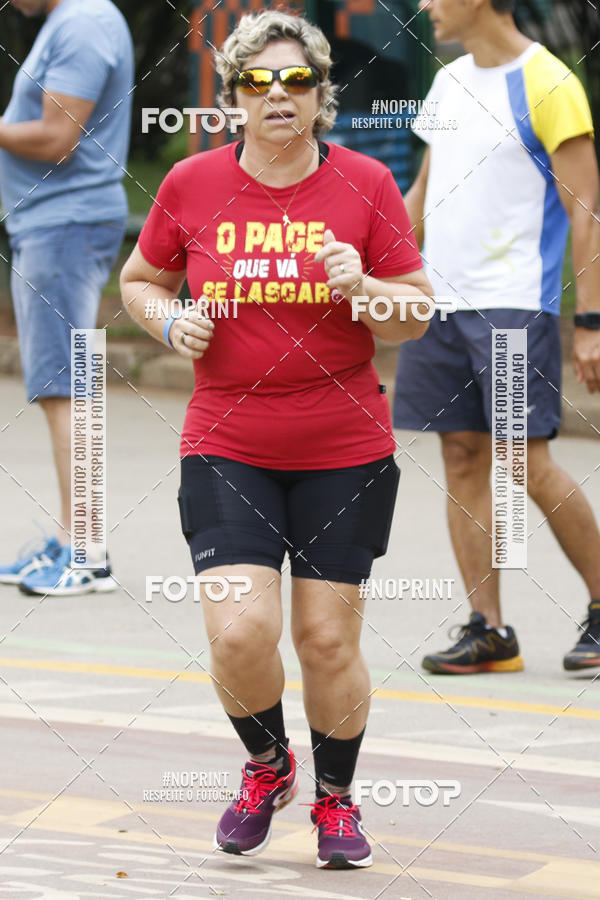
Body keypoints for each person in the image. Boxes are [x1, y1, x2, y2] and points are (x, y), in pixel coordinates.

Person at [121, 9, 432, 870]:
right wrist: (170, 317)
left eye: (297, 80)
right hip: (227, 438)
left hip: (345, 443)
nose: (279, 95)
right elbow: (141, 278)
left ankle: (336, 802)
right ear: (235, 99)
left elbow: (414, 313)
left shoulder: (367, 184)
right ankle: (267, 764)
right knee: (238, 632)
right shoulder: (191, 184)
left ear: (321, 94)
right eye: (259, 82)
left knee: (327, 640)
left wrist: (365, 285)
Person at [394, 0, 600, 673]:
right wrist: (382, 273)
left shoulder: (549, 83)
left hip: (512, 308)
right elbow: (424, 188)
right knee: (460, 457)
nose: (425, 6)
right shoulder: (449, 81)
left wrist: (591, 324)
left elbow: (586, 211)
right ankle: (490, 630)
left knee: (523, 464)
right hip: (439, 302)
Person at [0, 0, 133, 594]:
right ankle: (71, 537)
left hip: (64, 225)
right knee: (61, 385)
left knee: (67, 386)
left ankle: (87, 553)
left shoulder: (81, 22)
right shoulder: (72, 19)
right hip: (52, 226)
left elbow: (58, 138)